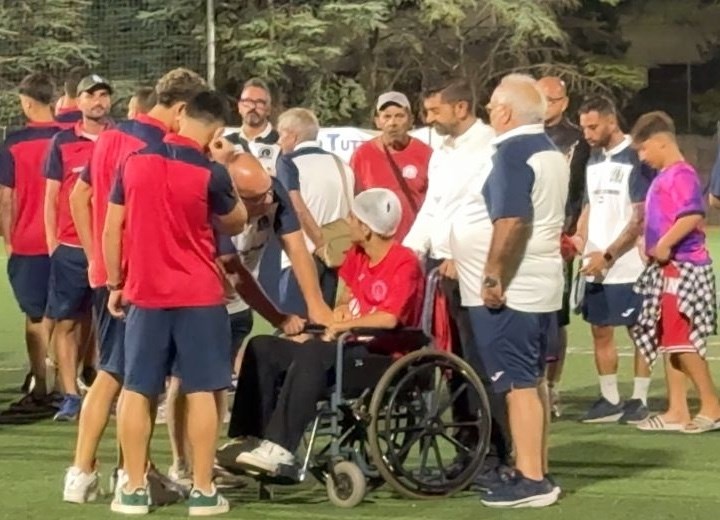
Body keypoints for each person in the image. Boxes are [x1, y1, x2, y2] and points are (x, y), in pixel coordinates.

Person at [64, 68, 208, 504]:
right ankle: (130, 476)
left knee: (114, 370)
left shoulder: (108, 136)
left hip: (109, 273)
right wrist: (120, 273)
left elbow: (78, 197)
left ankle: (86, 471)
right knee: (130, 378)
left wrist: (97, 260)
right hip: (139, 279)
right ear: (182, 110)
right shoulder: (157, 147)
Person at [104, 91, 247, 516]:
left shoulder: (133, 161)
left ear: (182, 114)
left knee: (137, 388)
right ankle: (203, 489)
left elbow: (114, 227)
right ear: (217, 130)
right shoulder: (210, 172)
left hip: (145, 291)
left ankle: (132, 487)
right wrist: (225, 168)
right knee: (202, 389)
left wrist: (116, 281)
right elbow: (236, 220)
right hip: (199, 294)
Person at [229, 188, 425, 474]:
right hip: (346, 345)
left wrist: (341, 325)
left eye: (353, 218)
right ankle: (248, 437)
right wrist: (342, 309)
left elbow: (389, 319)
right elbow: (346, 295)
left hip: (382, 355)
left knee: (313, 350)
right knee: (263, 347)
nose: (347, 222)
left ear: (367, 229)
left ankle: (281, 448)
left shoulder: (404, 262)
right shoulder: (358, 254)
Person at [167, 151, 328, 485]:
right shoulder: (214, 201)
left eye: (269, 192)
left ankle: (209, 461)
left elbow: (297, 249)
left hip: (233, 297)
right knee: (188, 378)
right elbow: (235, 272)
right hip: (194, 293)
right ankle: (183, 464)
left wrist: (316, 307)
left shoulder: (272, 192)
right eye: (257, 198)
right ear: (233, 196)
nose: (268, 201)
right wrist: (280, 318)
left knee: (218, 379)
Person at [468, 74, 567, 508]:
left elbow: (512, 221)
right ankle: (536, 465)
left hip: (520, 282)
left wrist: (493, 276)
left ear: (506, 111)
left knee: (519, 384)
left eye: (492, 106)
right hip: (545, 277)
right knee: (536, 380)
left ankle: (531, 479)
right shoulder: (549, 150)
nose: (489, 112)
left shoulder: (512, 152)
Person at [406, 78, 512, 484]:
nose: (428, 118)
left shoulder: (490, 148)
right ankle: (468, 448)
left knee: (483, 364)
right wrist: (410, 251)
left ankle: (497, 452)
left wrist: (457, 254)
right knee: (454, 365)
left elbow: (489, 212)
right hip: (443, 270)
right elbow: (433, 207)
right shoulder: (442, 151)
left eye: (435, 111)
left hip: (474, 267)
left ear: (462, 108)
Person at [629, 111, 720, 433]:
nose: (641, 156)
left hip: (685, 267)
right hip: (668, 269)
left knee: (683, 341)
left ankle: (712, 405)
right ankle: (677, 409)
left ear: (660, 143)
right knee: (670, 340)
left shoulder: (681, 175)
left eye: (643, 149)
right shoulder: (664, 177)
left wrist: (665, 244)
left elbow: (692, 215)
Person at [573, 96, 654, 424]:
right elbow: (590, 204)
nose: (588, 133)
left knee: (639, 329)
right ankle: (609, 399)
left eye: (593, 126)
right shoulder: (592, 158)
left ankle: (640, 398)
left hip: (626, 262)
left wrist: (608, 255)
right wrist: (581, 239)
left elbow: (639, 216)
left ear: (611, 121)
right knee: (600, 329)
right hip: (596, 260)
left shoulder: (636, 156)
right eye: (583, 128)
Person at [44, 74, 113, 421]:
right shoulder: (61, 142)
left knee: (110, 324)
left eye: (103, 95)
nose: (98, 101)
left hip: (110, 249)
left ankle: (107, 391)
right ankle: (71, 395)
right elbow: (52, 195)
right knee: (68, 322)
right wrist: (52, 244)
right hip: (70, 249)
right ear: (79, 102)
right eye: (91, 95)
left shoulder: (120, 139)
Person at [0, 73, 64, 413]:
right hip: (67, 241)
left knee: (35, 315)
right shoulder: (67, 139)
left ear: (26, 102)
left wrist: (9, 241)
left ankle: (41, 385)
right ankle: (66, 382)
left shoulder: (14, 143)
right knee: (67, 314)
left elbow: (5, 199)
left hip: (28, 242)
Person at [537, 76, 591, 417]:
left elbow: (582, 192)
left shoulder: (576, 140)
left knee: (557, 318)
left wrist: (574, 233)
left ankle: (552, 387)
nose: (545, 106)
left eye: (551, 100)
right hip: (527, 237)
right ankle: (531, 382)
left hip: (560, 238)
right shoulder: (525, 135)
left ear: (564, 102)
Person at [275, 107, 354, 316]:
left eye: (280, 135)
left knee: (296, 329)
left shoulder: (287, 163)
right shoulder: (342, 164)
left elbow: (296, 207)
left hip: (302, 258)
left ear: (291, 135)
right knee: (326, 328)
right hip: (337, 259)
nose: (278, 142)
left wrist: (319, 243)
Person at [350, 91, 432, 241]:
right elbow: (355, 203)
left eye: (399, 116)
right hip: (376, 246)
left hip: (415, 244)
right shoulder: (362, 156)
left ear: (410, 120)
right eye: (386, 116)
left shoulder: (426, 154)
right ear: (377, 121)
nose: (392, 123)